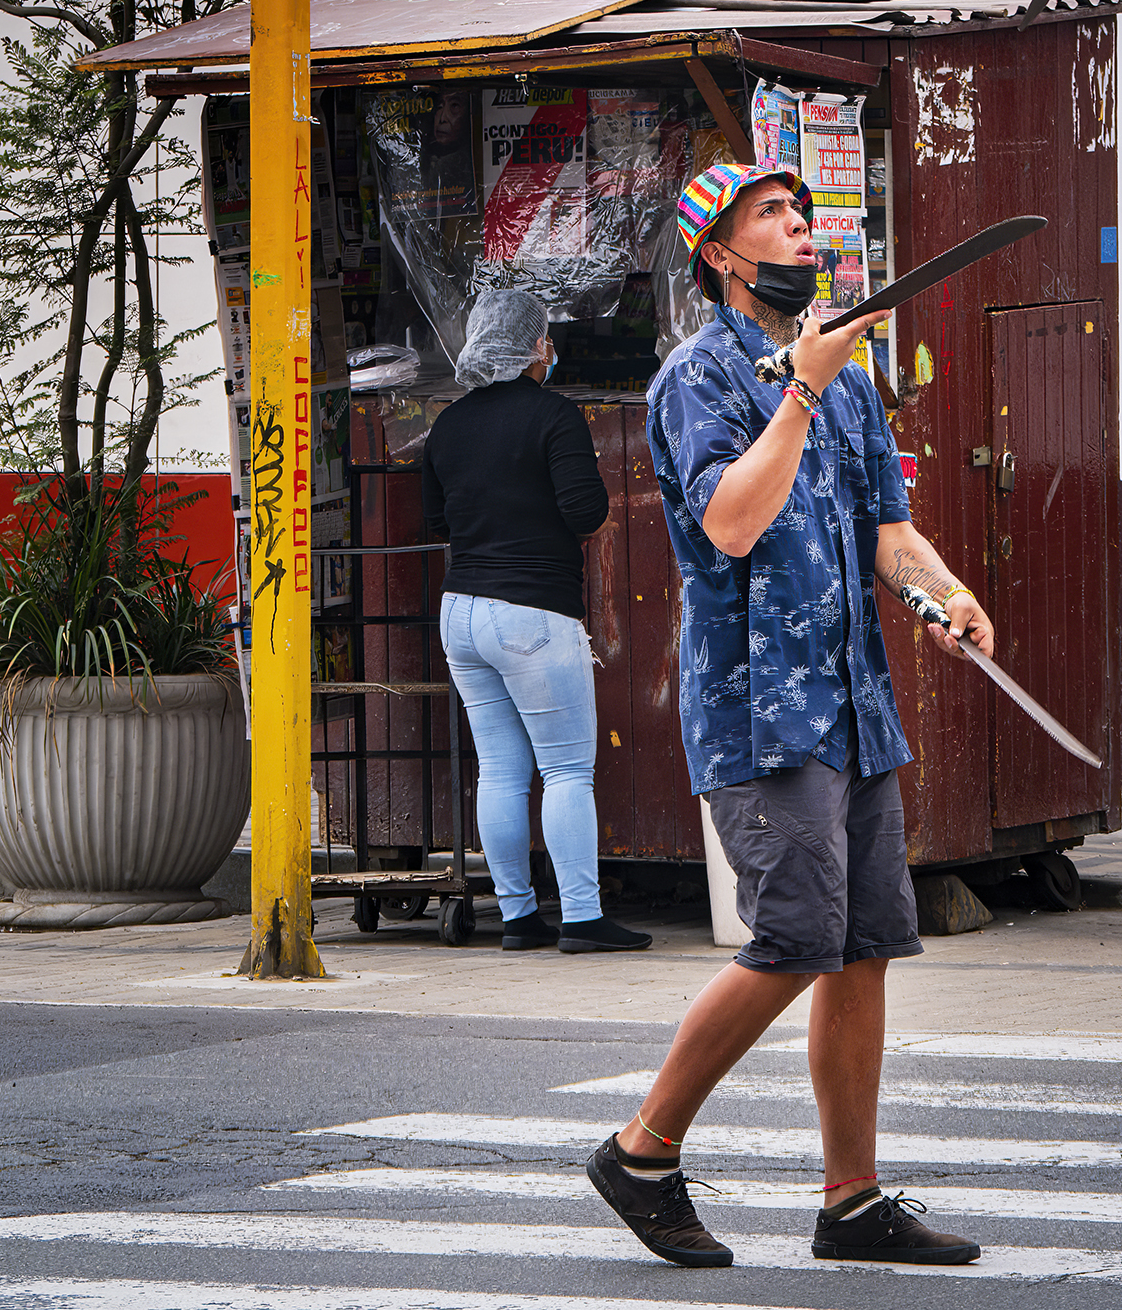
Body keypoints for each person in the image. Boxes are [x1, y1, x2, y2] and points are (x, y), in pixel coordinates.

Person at [585, 162, 992, 1271]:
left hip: (853, 702)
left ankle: (849, 1200)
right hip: (760, 710)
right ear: (717, 253)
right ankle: (641, 1147)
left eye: (801, 213)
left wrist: (944, 592)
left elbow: (886, 531)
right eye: (770, 214)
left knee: (861, 948)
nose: (798, 227)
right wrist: (800, 389)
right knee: (796, 936)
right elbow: (727, 521)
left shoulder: (851, 377)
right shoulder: (698, 375)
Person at [423, 288, 650, 955]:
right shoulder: (555, 415)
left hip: (461, 612)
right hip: (532, 613)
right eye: (547, 338)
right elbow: (585, 511)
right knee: (567, 770)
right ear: (533, 347)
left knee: (499, 769)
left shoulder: (449, 424)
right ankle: (581, 917)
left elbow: (440, 521)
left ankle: (519, 917)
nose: (551, 348)